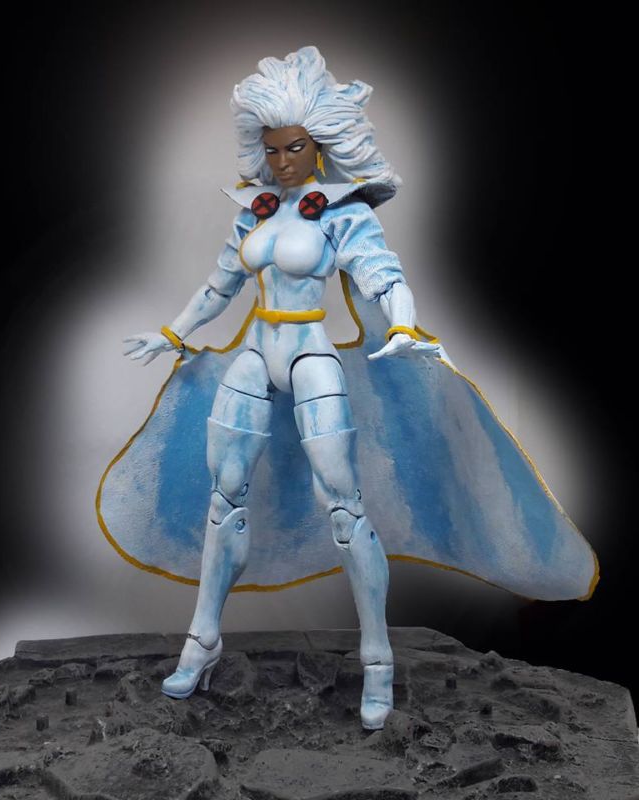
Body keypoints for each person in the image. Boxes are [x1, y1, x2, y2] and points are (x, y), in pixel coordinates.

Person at [107, 45, 599, 732]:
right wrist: (173, 331)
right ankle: (203, 641)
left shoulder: (341, 212)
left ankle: (377, 658)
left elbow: (384, 276)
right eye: (272, 149)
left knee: (344, 506)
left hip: (309, 353)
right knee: (224, 499)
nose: (282, 162)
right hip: (255, 353)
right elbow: (220, 286)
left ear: (318, 145)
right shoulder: (254, 210)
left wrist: (402, 326)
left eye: (295, 148)